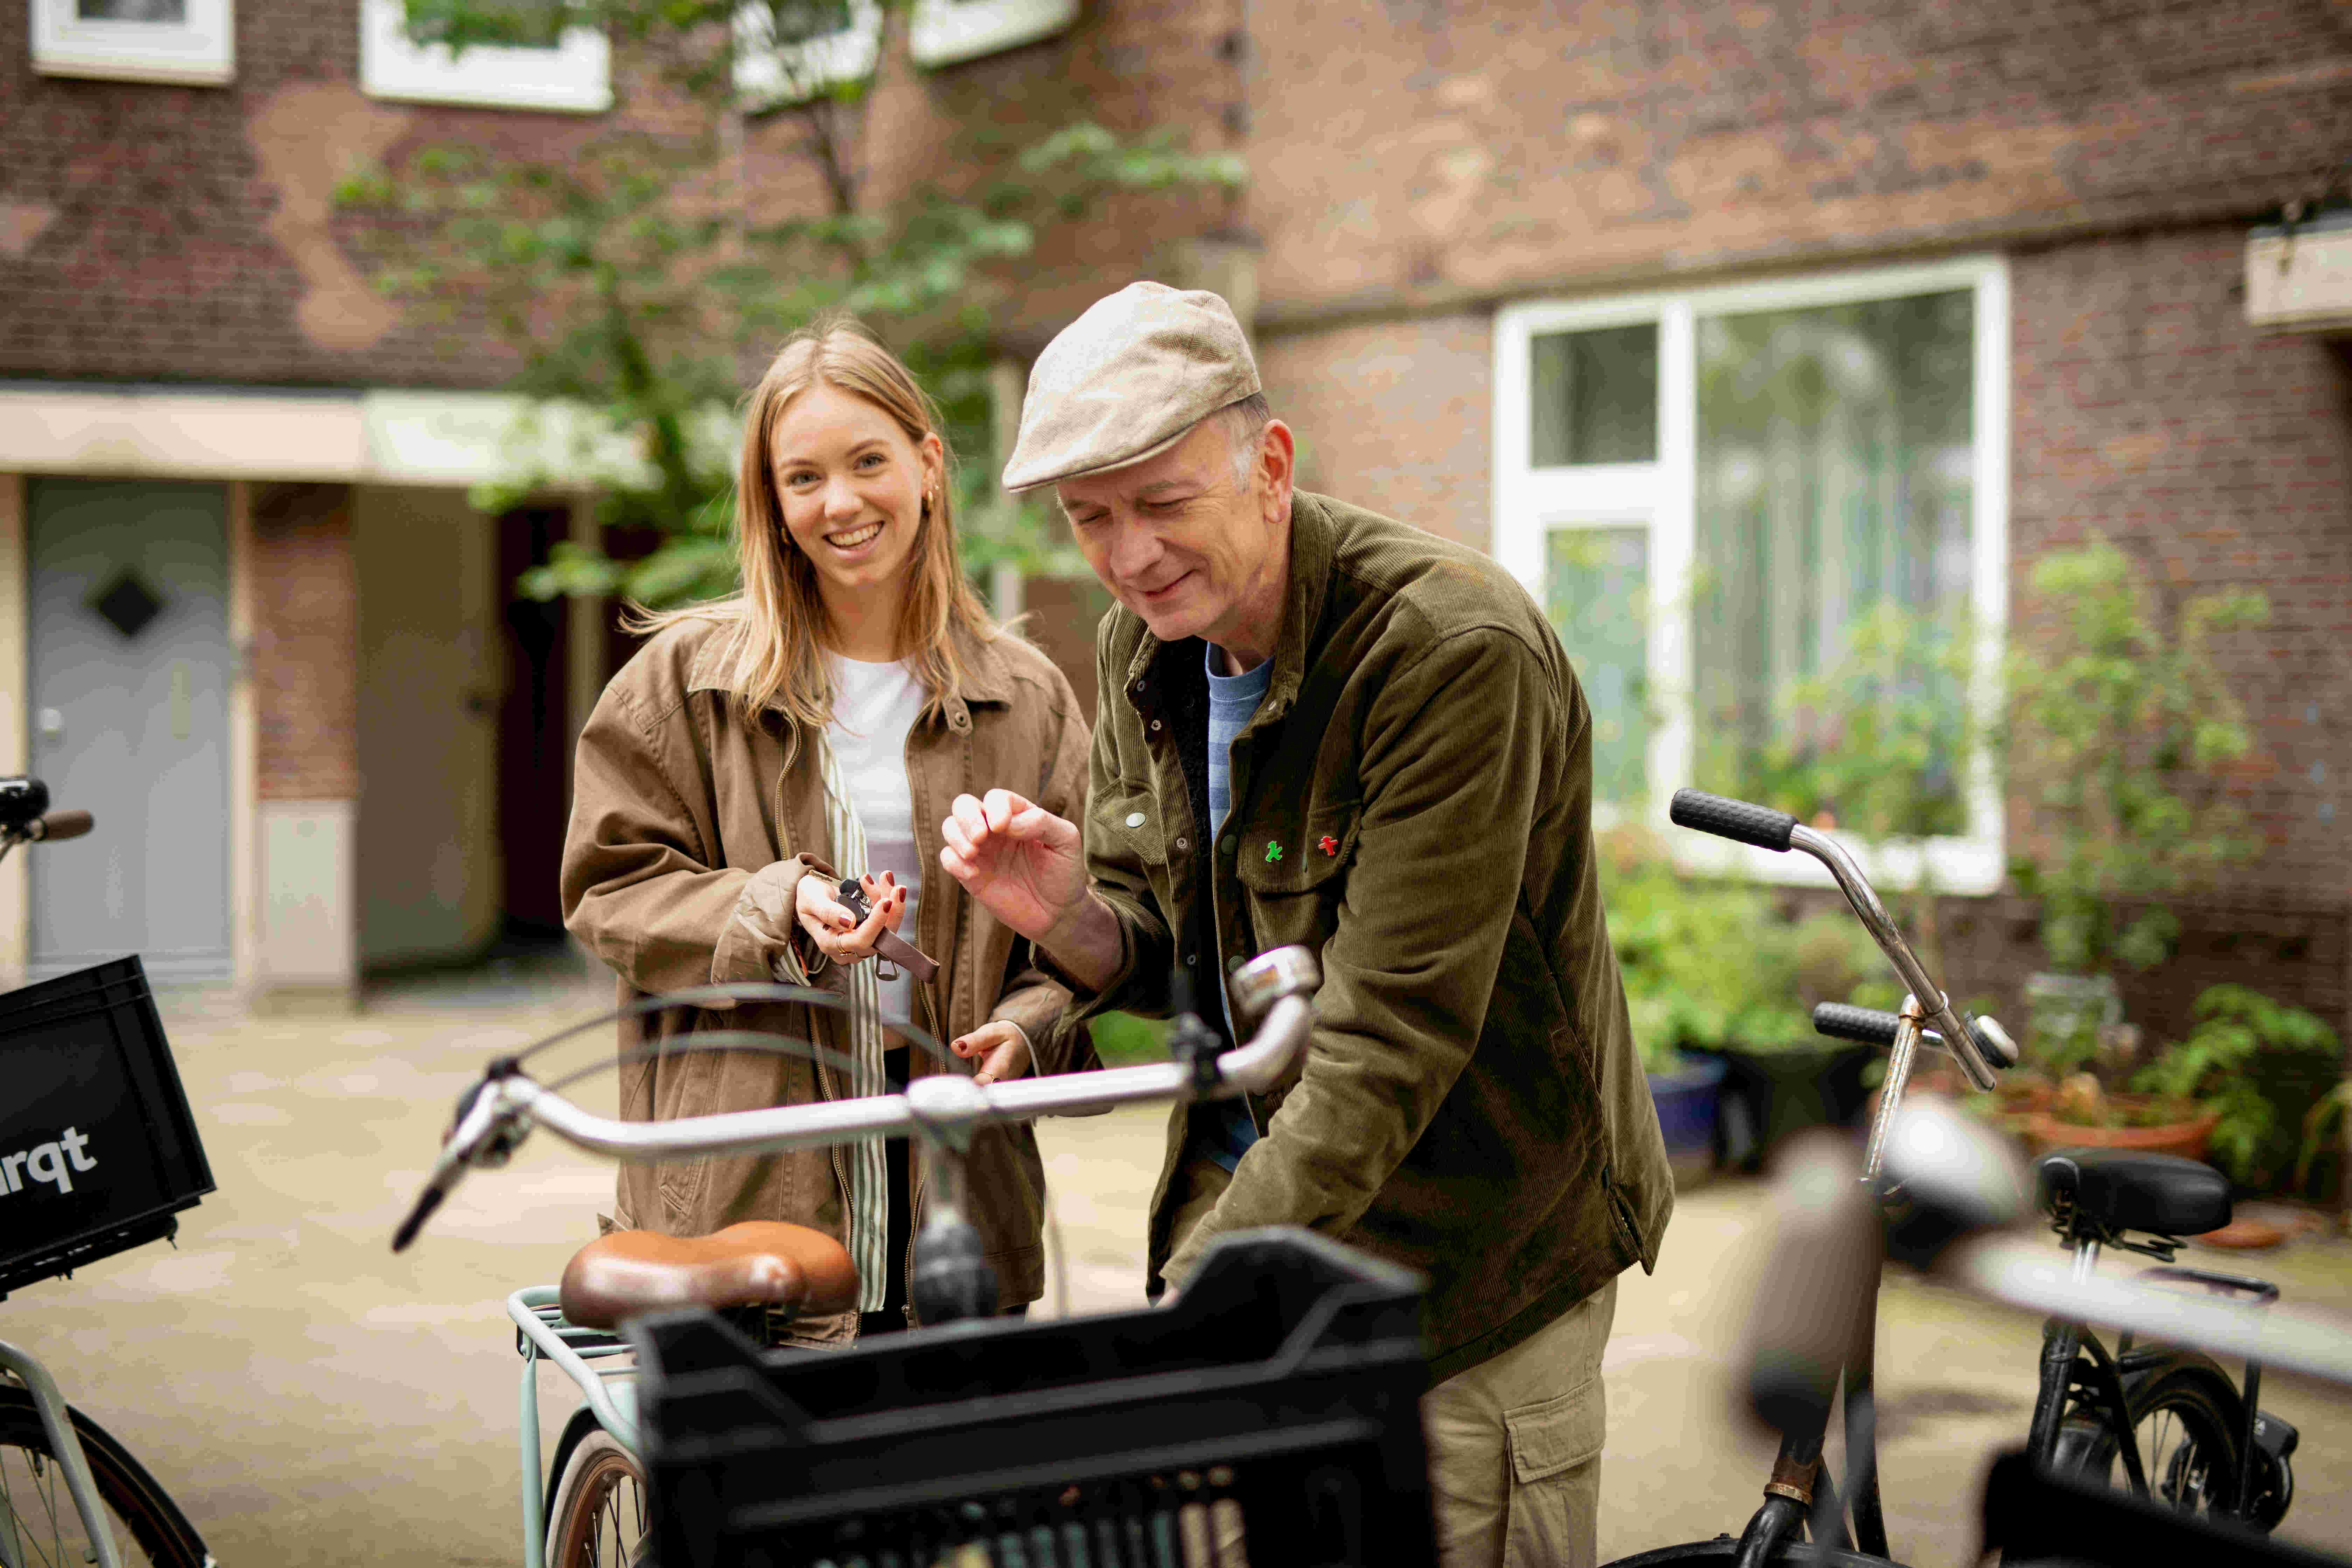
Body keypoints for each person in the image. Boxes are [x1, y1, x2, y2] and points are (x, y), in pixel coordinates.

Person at [938, 282, 1674, 1566]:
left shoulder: (1449, 651)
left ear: (1269, 466)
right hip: (1266, 1247)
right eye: (1089, 519)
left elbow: (1386, 1044)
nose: (1127, 555)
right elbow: (1182, 952)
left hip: (1468, 1268)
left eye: (1163, 503)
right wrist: (1069, 929)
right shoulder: (1145, 645)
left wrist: (1180, 1330)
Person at [561, 318, 1094, 1342]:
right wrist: (781, 903)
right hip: (750, 1180)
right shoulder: (685, 683)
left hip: (959, 1180)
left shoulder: (1027, 697)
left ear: (929, 466)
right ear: (773, 503)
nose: (840, 503)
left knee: (953, 1484)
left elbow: (1086, 928)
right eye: (803, 479)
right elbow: (609, 891)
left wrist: (1030, 1028)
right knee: (765, 1492)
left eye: (868, 463)